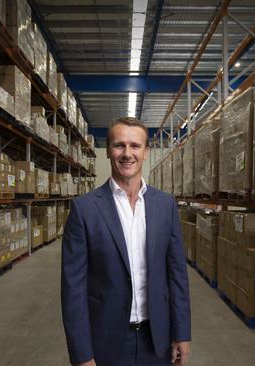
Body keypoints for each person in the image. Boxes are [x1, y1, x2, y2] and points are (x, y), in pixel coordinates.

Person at [61, 117, 191, 366]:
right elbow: (73, 290)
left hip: (157, 341)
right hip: (106, 343)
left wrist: (182, 332)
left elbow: (177, 276)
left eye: (135, 146)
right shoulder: (84, 209)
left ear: (145, 152)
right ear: (109, 151)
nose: (127, 154)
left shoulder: (165, 206)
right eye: (119, 145)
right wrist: (81, 354)